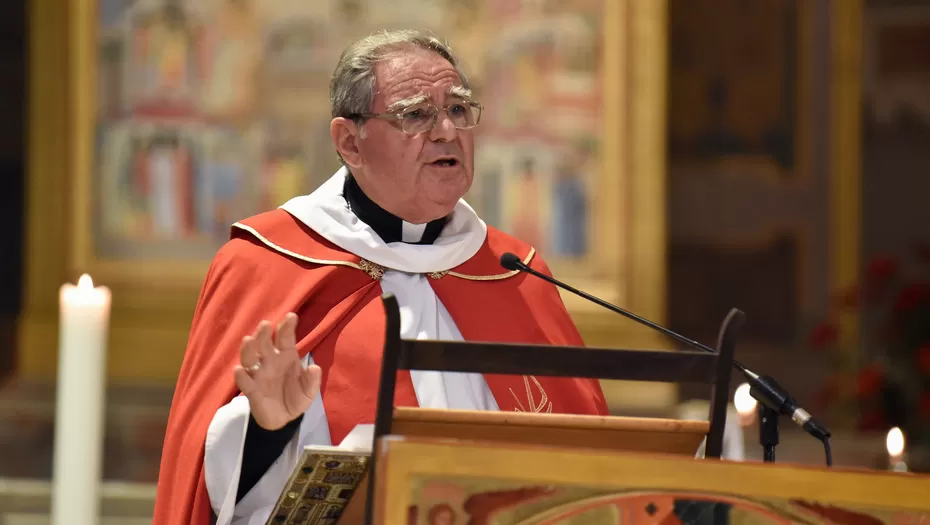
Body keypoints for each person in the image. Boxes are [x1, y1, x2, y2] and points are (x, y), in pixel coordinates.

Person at [153, 29, 608, 525]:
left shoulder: (513, 272)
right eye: (416, 114)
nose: (447, 132)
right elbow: (205, 484)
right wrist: (267, 430)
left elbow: (585, 459)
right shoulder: (267, 262)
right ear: (350, 141)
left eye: (458, 110)